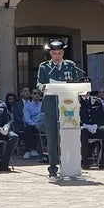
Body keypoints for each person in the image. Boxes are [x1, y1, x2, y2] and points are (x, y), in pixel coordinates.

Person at [36, 39, 84, 177]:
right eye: (54, 53)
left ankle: (69, 166)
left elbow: (76, 82)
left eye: (59, 53)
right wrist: (43, 87)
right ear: (50, 53)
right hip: (51, 105)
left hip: (68, 105)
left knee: (69, 135)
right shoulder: (44, 66)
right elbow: (39, 83)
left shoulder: (70, 65)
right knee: (52, 138)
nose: (57, 56)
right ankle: (52, 168)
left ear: (63, 53)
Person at [78, 76, 104, 169]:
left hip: (95, 128)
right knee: (84, 131)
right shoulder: (76, 101)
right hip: (83, 128)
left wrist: (96, 125)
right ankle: (85, 160)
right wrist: (83, 124)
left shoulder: (96, 101)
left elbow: (103, 118)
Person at [22, 87, 43, 159]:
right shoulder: (27, 106)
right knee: (28, 128)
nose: (37, 95)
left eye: (38, 93)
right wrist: (35, 124)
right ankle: (28, 151)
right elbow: (27, 119)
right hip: (33, 125)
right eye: (35, 93)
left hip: (43, 125)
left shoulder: (43, 105)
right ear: (31, 95)